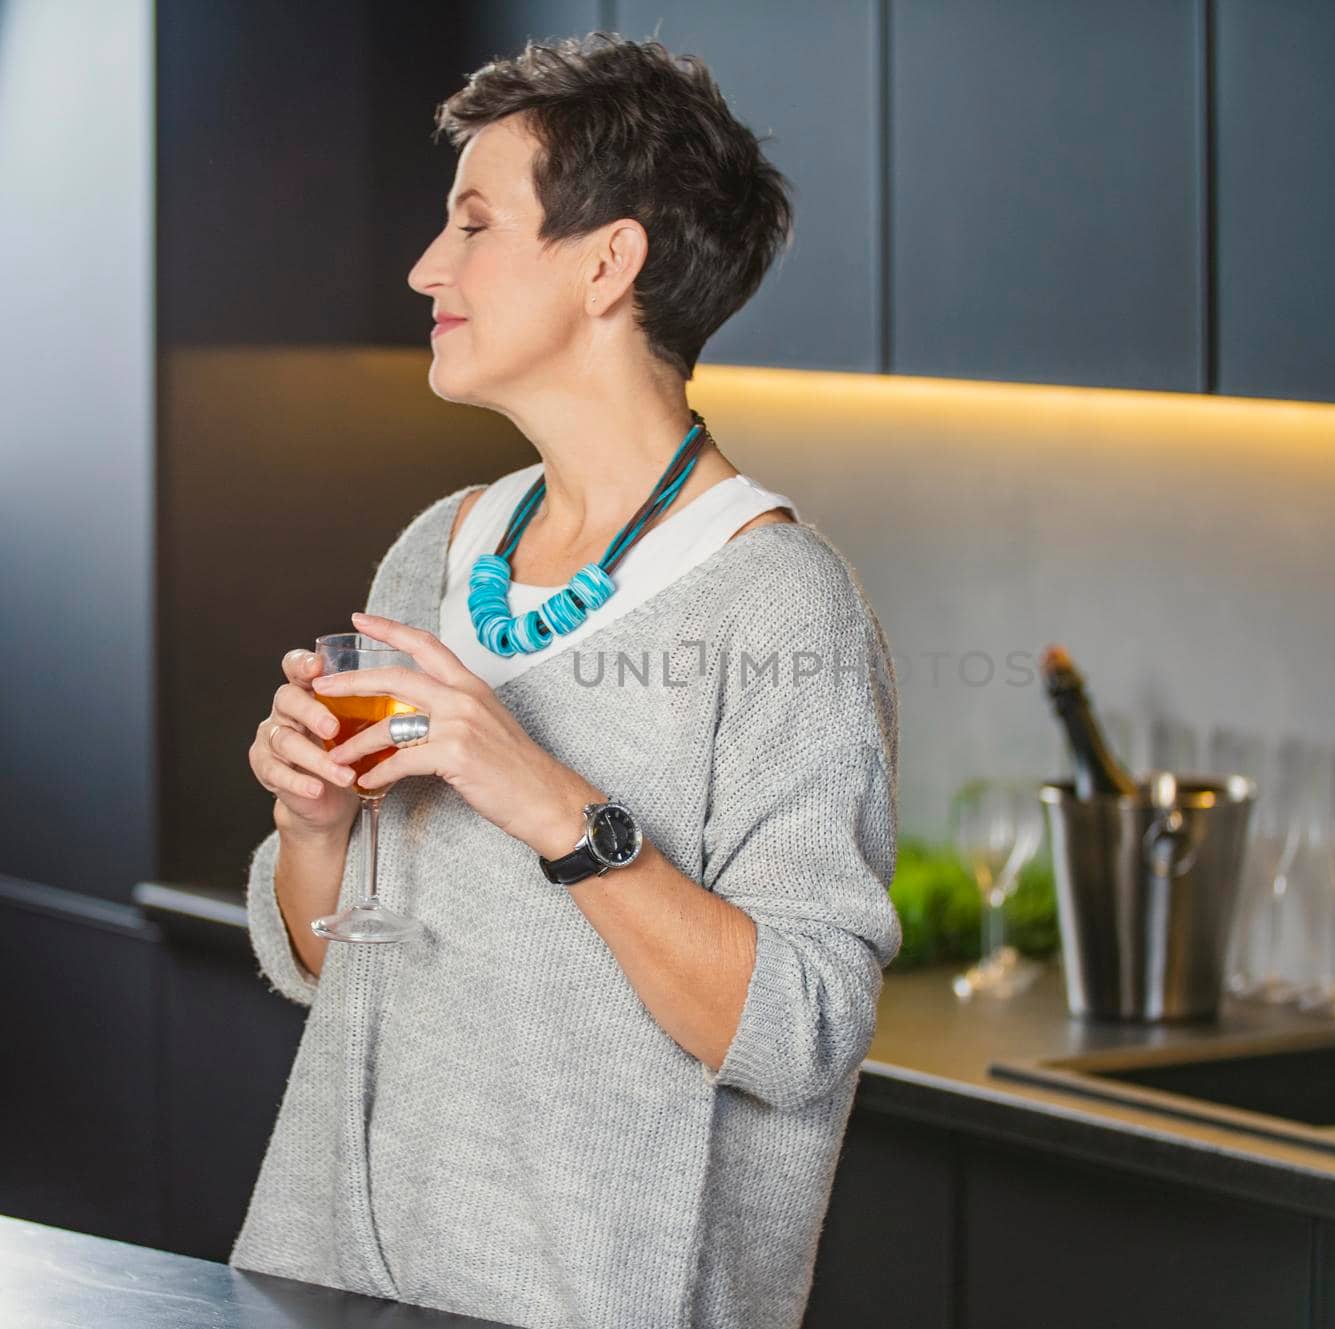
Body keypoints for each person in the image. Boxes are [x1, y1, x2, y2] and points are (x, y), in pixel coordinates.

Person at [230, 30, 900, 1329]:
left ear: (611, 262)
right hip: (325, 1276)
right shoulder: (438, 549)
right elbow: (331, 955)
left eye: (474, 224)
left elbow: (805, 1027)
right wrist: (311, 825)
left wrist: (547, 800)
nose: (429, 265)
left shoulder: (780, 604)